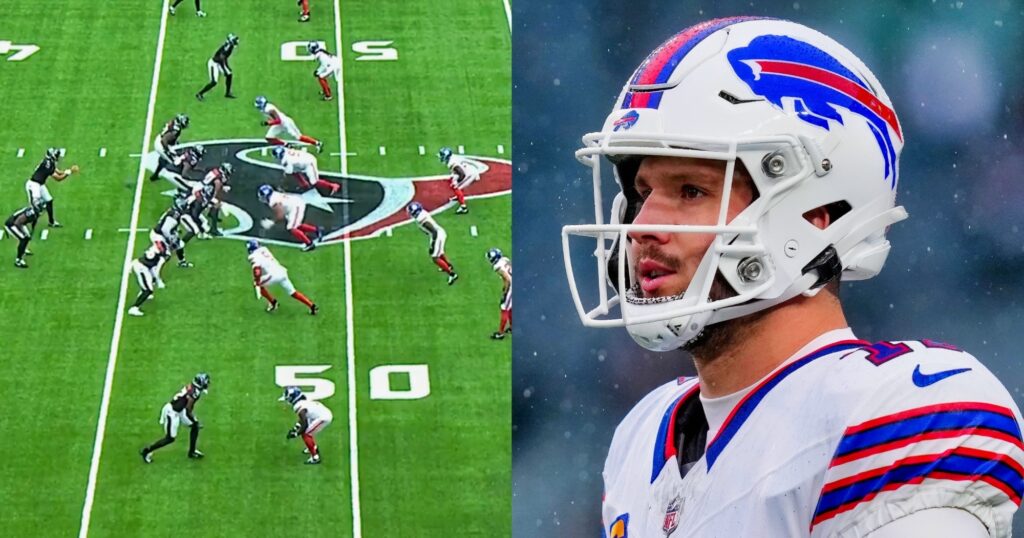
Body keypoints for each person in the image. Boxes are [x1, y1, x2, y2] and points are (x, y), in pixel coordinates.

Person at [559, 18, 1024, 537]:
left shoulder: (900, 408)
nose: (642, 227)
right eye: (643, 194)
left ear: (815, 213)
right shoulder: (642, 435)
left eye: (690, 190)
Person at [141, 373, 210, 462]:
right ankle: (147, 451)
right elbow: (188, 408)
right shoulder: (194, 392)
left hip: (180, 410)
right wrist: (193, 418)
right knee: (170, 438)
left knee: (195, 426)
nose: (207, 384)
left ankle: (192, 452)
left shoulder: (193, 388)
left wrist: (194, 420)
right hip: (172, 412)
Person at [247, 240, 318, 315]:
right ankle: (312, 306)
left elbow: (257, 271)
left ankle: (273, 303)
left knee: (257, 284)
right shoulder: (264, 249)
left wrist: (257, 281)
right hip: (282, 272)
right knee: (293, 292)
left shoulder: (253, 256)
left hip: (273, 275)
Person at [257, 184, 323, 252]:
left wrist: (272, 222)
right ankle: (317, 230)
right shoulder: (274, 195)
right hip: (294, 205)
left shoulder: (272, 200)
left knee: (291, 228)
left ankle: (309, 244)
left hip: (296, 206)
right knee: (296, 225)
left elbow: (280, 215)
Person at [407, 201, 457, 285]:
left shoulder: (421, 219)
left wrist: (433, 244)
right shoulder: (422, 214)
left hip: (437, 235)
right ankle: (448, 265)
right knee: (440, 252)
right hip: (437, 234)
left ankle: (452, 274)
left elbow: (434, 231)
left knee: (435, 257)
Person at [25, 147, 78, 227]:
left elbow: (58, 172)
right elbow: (58, 178)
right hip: (33, 185)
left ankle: (51, 222)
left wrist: (67, 171)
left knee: (49, 200)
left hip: (40, 184)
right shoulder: (48, 164)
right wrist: (69, 172)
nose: (58, 157)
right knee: (36, 207)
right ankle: (23, 221)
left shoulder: (49, 162)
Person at [280, 386, 332, 464]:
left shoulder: (299, 407)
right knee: (307, 432)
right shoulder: (303, 401)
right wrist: (296, 428)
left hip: (323, 417)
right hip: (319, 414)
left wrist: (296, 433)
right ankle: (312, 447)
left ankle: (315, 457)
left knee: (306, 434)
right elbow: (304, 419)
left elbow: (304, 424)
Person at [254, 96, 322, 152]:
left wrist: (268, 123)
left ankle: (317, 143)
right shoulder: (266, 108)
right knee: (269, 137)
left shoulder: (270, 109)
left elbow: (278, 120)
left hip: (286, 123)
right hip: (279, 123)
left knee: (299, 137)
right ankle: (287, 145)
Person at [196, 34, 238, 101]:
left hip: (219, 62)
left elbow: (225, 58)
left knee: (229, 74)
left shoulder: (229, 46)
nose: (236, 41)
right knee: (214, 82)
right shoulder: (227, 48)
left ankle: (227, 93)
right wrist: (225, 68)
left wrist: (226, 68)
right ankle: (199, 94)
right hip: (214, 63)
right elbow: (221, 59)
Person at [438, 147, 477, 214]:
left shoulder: (452, 163)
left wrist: (457, 182)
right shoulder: (452, 158)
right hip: (468, 170)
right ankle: (459, 196)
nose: (441, 157)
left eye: (442, 155)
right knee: (452, 180)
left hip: (469, 174)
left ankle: (463, 207)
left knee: (455, 187)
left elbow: (462, 174)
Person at [487, 248, 511, 339]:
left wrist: (505, 292)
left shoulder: (497, 267)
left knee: (504, 307)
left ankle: (500, 333)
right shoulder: (505, 259)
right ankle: (512, 327)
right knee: (510, 306)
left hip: (511, 285)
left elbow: (507, 279)